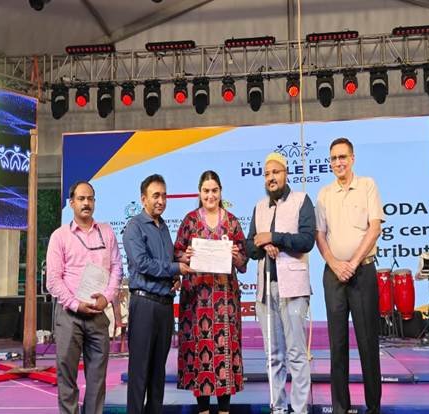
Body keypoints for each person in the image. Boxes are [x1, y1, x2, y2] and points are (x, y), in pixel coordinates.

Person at [315, 137, 385, 414]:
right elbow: (320, 236)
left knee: (368, 343)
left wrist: (353, 263)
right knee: (337, 344)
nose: (338, 162)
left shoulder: (367, 185)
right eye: (333, 158)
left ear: (352, 158)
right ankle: (340, 408)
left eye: (342, 157)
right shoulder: (324, 194)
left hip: (362, 271)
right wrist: (334, 263)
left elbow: (375, 228)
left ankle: (374, 407)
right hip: (333, 275)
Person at [246, 152, 316, 414]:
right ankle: (278, 407)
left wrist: (274, 237)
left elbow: (306, 241)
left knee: (296, 354)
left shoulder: (301, 201)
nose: (271, 178)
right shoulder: (259, 207)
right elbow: (250, 246)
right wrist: (264, 244)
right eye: (267, 174)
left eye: (275, 172)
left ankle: (299, 409)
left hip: (294, 290)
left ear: (286, 173)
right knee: (273, 355)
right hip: (266, 290)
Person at [174, 170, 248, 414]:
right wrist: (184, 256)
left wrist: (236, 256)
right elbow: (176, 253)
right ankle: (203, 410)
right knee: (200, 354)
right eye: (206, 191)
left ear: (221, 192)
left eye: (214, 190)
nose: (210, 195)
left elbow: (244, 262)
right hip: (196, 301)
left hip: (225, 301)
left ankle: (225, 411)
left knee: (225, 350)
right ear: (199, 192)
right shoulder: (189, 221)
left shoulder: (232, 222)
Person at [46, 181, 123, 414]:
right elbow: (53, 280)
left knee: (97, 379)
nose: (86, 203)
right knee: (67, 376)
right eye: (81, 199)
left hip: (98, 314)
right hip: (70, 315)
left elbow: (117, 268)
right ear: (72, 203)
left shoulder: (107, 232)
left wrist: (107, 298)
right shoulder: (60, 236)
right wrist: (75, 304)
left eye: (90, 198)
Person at [123, 174, 191, 414]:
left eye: (164, 195)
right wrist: (175, 268)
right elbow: (142, 263)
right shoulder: (134, 226)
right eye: (155, 196)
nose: (161, 200)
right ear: (143, 199)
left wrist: (175, 275)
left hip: (164, 306)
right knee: (139, 373)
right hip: (144, 304)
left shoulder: (163, 228)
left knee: (158, 374)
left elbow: (165, 261)